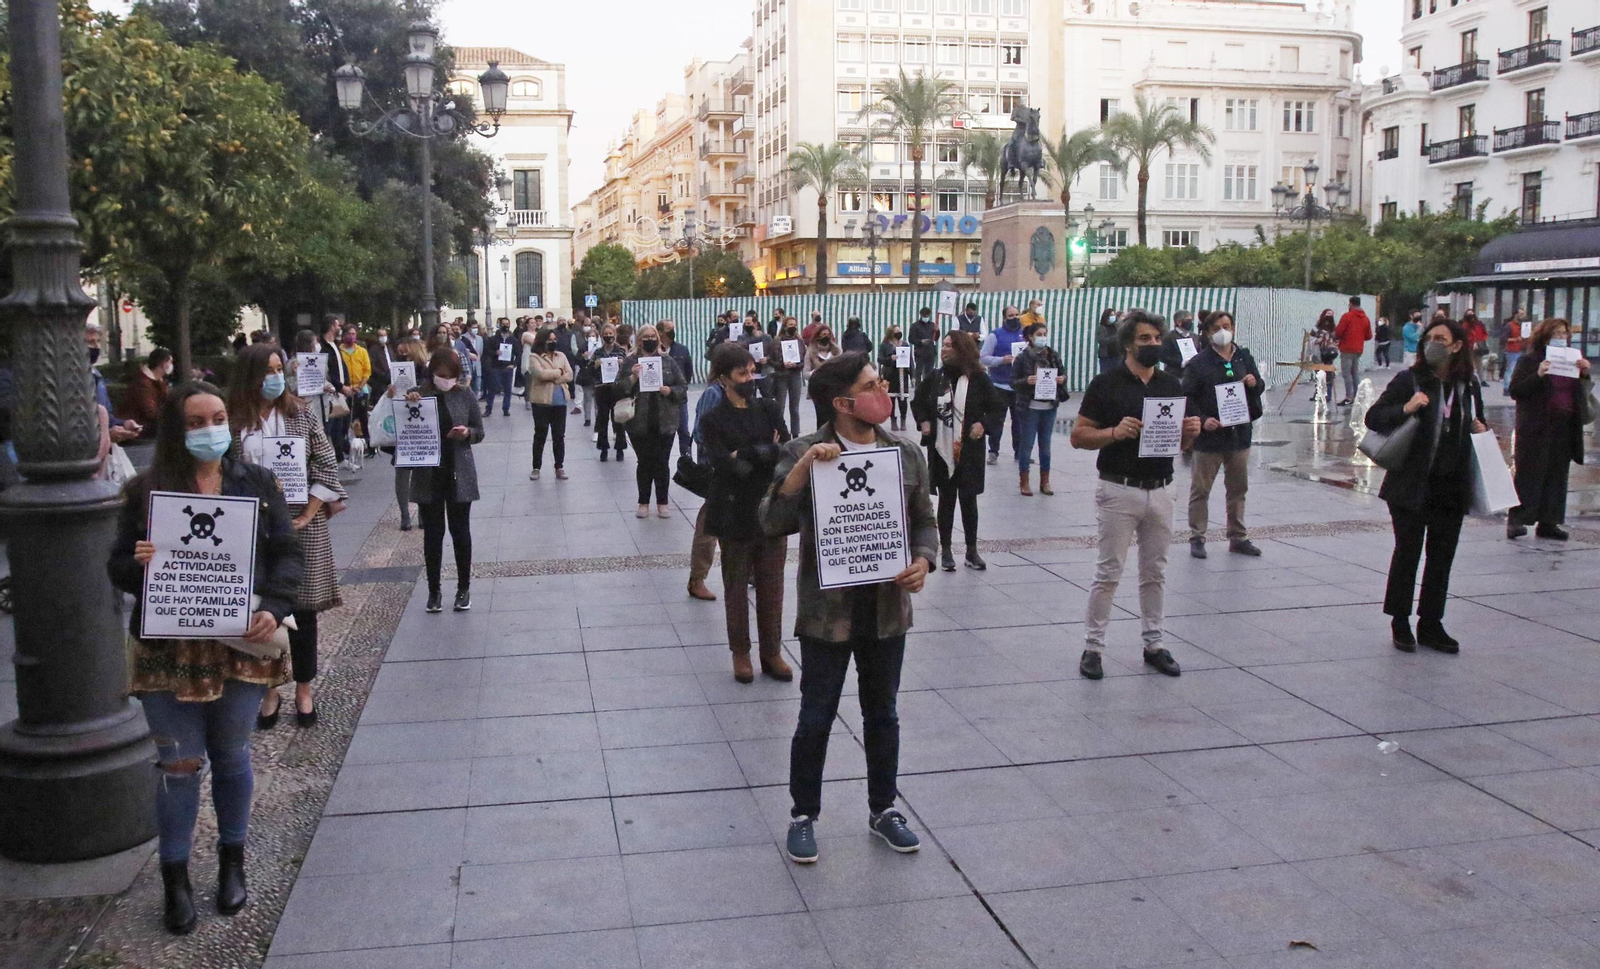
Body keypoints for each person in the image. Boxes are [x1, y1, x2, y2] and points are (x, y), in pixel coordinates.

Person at [107, 380, 302, 935]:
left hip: (239, 643)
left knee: (234, 756)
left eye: (217, 417)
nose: (209, 429)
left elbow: (286, 554)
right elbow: (118, 568)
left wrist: (275, 604)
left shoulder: (257, 484)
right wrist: (137, 563)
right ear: (177, 431)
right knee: (179, 765)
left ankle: (231, 863)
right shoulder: (146, 492)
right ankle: (176, 878)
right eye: (195, 422)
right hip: (168, 650)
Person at [760, 352, 936, 865]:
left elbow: (924, 519)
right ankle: (803, 814)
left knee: (883, 714)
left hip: (887, 610)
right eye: (871, 385)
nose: (882, 390)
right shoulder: (804, 450)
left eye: (881, 382)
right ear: (841, 402)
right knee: (815, 715)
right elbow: (770, 521)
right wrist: (799, 474)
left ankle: (884, 809)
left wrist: (923, 561)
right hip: (826, 612)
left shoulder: (904, 452)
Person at [1071, 311, 1202, 681]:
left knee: (1155, 571)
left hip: (1161, 487)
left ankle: (1154, 643)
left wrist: (1190, 432)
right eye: (1145, 339)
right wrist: (1114, 432)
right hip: (1119, 488)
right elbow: (1079, 436)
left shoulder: (1170, 385)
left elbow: (1179, 443)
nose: (1153, 345)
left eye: (1157, 338)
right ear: (1129, 343)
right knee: (1109, 571)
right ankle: (1093, 647)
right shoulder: (1106, 384)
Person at [226, 344, 346, 730]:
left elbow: (326, 461)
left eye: (281, 368)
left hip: (299, 525)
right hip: (250, 530)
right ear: (251, 376)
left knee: (304, 610)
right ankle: (270, 687)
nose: (277, 376)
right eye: (269, 370)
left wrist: (310, 512)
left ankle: (305, 688)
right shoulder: (233, 422)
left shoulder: (300, 414)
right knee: (265, 612)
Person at [1366, 318, 1486, 653]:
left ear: (1457, 345)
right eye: (1430, 338)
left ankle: (1431, 623)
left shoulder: (1467, 383)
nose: (1434, 343)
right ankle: (1400, 620)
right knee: (1407, 553)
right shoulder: (1411, 379)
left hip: (1452, 484)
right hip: (1411, 483)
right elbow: (1374, 417)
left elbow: (1477, 420)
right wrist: (1407, 407)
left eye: (1441, 338)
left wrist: (1479, 428)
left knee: (1441, 557)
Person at [700, 343, 794, 683]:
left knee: (772, 585)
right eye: (742, 374)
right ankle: (741, 652)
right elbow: (724, 464)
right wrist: (758, 454)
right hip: (733, 509)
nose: (750, 378)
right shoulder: (713, 418)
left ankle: (772, 652)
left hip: (770, 507)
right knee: (736, 584)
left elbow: (784, 447)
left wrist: (749, 452)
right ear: (724, 379)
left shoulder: (768, 408)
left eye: (752, 371)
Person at [913, 332, 999, 571]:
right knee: (946, 500)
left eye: (950, 346)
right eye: (944, 345)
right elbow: (918, 402)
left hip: (968, 450)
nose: (944, 350)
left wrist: (983, 424)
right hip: (942, 449)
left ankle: (972, 550)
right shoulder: (936, 377)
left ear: (962, 349)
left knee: (968, 500)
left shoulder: (978, 378)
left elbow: (996, 408)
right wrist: (924, 422)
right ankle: (947, 551)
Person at [1181, 311, 1264, 559]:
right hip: (1210, 439)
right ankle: (1197, 536)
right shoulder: (1198, 364)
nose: (1223, 331)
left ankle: (1238, 537)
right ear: (1207, 332)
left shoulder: (1243, 356)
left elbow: (1259, 387)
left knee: (1238, 488)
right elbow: (1188, 398)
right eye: (1216, 327)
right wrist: (1204, 420)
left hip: (1239, 434)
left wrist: (1253, 383)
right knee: (1201, 489)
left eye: (1227, 326)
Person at [408, 350, 484, 613]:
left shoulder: (465, 395)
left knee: (460, 532)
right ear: (432, 374)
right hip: (429, 473)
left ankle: (464, 588)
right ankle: (434, 590)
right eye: (441, 376)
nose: (447, 381)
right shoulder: (419, 394)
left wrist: (467, 433)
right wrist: (408, 400)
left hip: (458, 470)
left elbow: (479, 430)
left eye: (451, 377)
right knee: (433, 534)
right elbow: (404, 421)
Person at [1507, 318, 1591, 541]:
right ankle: (1517, 519)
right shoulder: (1530, 360)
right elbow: (1515, 390)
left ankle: (1549, 521)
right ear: (1545, 335)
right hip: (1537, 425)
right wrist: (1538, 375)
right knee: (1530, 472)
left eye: (1565, 333)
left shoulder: (1571, 360)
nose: (1562, 337)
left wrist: (1584, 373)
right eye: (1557, 332)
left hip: (1564, 423)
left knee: (1557, 473)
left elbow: (1578, 393)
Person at [615, 324, 688, 517]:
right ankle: (643, 502)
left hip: (665, 420)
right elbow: (617, 388)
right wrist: (632, 377)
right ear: (639, 340)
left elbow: (682, 387)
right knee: (645, 462)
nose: (650, 340)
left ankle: (662, 501)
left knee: (662, 462)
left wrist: (670, 390)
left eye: (652, 336)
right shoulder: (631, 361)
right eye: (645, 336)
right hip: (639, 420)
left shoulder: (668, 361)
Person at [1010, 321, 1066, 496]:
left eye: (1045, 334)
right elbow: (1013, 382)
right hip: (1029, 406)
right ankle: (1024, 481)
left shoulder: (1053, 355)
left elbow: (1063, 373)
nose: (1043, 337)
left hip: (1049, 405)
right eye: (1039, 334)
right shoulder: (1022, 357)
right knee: (1026, 445)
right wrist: (1026, 381)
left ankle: (1045, 481)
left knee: (1046, 446)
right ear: (1030, 337)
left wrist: (1062, 379)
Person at [686, 369, 726, 603]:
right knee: (710, 521)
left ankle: (746, 571)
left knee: (728, 519)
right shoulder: (714, 393)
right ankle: (697, 578)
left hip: (734, 467)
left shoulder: (735, 393)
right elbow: (702, 432)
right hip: (716, 466)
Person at [386, 336, 430, 530]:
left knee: (422, 471)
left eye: (405, 351)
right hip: (403, 420)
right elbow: (389, 393)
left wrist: (419, 392)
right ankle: (405, 514)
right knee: (402, 470)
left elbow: (431, 390)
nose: (402, 354)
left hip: (422, 423)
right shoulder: (396, 368)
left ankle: (422, 512)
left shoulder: (426, 369)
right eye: (400, 352)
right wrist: (390, 392)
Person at [978, 305, 1026, 466]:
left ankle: (1020, 452)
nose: (1015, 318)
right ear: (1004, 318)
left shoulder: (1026, 334)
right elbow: (983, 358)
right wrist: (1001, 360)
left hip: (1019, 386)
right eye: (1011, 315)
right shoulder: (995, 335)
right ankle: (993, 452)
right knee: (996, 421)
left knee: (1019, 421)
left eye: (1017, 314)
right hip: (999, 385)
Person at [525, 326, 574, 481]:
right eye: (549, 340)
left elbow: (570, 374)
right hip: (541, 402)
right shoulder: (535, 357)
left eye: (554, 340)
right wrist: (559, 372)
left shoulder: (561, 356)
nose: (553, 342)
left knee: (559, 435)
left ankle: (559, 466)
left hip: (560, 401)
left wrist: (555, 377)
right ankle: (536, 467)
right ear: (542, 341)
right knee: (540, 434)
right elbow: (539, 374)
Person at [588, 322, 631, 461]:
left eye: (610, 334)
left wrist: (621, 363)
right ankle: (603, 448)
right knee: (602, 419)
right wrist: (596, 365)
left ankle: (620, 448)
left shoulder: (621, 351)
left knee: (618, 419)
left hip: (617, 390)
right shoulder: (598, 352)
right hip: (602, 389)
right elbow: (589, 370)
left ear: (615, 335)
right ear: (602, 336)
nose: (608, 336)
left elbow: (628, 369)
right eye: (606, 334)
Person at [318, 315, 353, 463]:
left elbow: (341, 367)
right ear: (332, 326)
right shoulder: (322, 347)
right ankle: (326, 458)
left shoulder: (335, 346)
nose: (339, 328)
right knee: (329, 427)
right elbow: (327, 372)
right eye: (338, 325)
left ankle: (340, 456)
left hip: (340, 392)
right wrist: (341, 386)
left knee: (340, 426)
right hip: (331, 392)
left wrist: (347, 384)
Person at [660, 321, 695, 457]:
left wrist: (678, 388)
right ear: (660, 332)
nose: (672, 331)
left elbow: (688, 372)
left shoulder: (682, 349)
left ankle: (686, 459)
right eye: (669, 329)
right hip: (661, 398)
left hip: (679, 397)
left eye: (673, 328)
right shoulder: (655, 351)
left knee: (683, 431)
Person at [125, 348, 173, 436]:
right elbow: (151, 413)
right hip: (140, 427)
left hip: (148, 426)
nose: (171, 365)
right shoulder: (143, 384)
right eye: (170, 362)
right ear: (163, 364)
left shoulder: (158, 381)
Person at [1334, 297, 1372, 405]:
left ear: (1350, 304)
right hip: (1358, 348)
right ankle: (1358, 396)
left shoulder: (1347, 316)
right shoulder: (1365, 318)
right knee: (1355, 373)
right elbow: (1369, 336)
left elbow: (1338, 332)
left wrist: (1335, 337)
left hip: (1347, 348)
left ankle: (1349, 397)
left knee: (1346, 373)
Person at [772, 317, 806, 435]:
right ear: (785, 326)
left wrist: (796, 365)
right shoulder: (777, 340)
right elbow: (771, 360)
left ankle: (795, 433)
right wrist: (782, 364)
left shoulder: (799, 341)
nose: (793, 327)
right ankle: (780, 432)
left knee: (794, 407)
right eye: (790, 324)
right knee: (780, 406)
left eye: (794, 324)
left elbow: (803, 360)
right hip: (781, 375)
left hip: (795, 375)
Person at [804, 324, 839, 426]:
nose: (826, 336)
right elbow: (805, 373)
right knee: (821, 418)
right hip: (818, 390)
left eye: (828, 334)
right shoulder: (811, 352)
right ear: (818, 336)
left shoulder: (836, 351)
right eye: (823, 334)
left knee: (834, 418)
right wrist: (814, 373)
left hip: (834, 389)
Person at [481, 318, 518, 417]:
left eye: (507, 324)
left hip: (508, 367)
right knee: (492, 388)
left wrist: (514, 364)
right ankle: (488, 409)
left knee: (507, 389)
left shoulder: (513, 340)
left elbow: (519, 354)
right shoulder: (493, 339)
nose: (506, 325)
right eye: (503, 324)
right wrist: (495, 353)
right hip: (495, 367)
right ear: (500, 325)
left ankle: (506, 408)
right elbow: (487, 351)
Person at [738, 314, 781, 399]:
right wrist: (754, 337)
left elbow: (773, 352)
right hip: (750, 370)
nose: (747, 325)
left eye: (749, 323)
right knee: (750, 396)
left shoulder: (766, 337)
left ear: (755, 324)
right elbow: (740, 350)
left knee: (767, 395)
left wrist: (767, 359)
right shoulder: (741, 337)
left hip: (764, 370)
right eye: (745, 323)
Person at [877, 324, 910, 431]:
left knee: (903, 399)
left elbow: (910, 359)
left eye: (899, 331)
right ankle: (893, 420)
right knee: (891, 400)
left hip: (902, 375)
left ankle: (903, 420)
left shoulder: (905, 344)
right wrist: (890, 358)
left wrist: (912, 374)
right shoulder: (885, 345)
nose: (898, 333)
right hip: (890, 375)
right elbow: (880, 359)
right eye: (896, 331)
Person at [908, 307, 938, 388]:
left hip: (930, 352)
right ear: (921, 315)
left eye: (927, 315)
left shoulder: (932, 325)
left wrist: (937, 331)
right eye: (924, 315)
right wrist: (920, 341)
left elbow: (936, 338)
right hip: (920, 352)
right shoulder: (915, 326)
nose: (926, 317)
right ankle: (918, 388)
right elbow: (911, 339)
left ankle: (928, 388)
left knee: (929, 372)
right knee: (919, 372)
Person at [1312, 310, 1339, 401]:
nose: (1328, 317)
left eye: (1331, 315)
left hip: (1329, 353)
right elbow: (1311, 338)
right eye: (1327, 314)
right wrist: (1317, 340)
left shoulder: (1333, 329)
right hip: (1318, 352)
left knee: (1328, 373)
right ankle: (1318, 393)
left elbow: (1336, 340)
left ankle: (1328, 394)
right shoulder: (1316, 328)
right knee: (1318, 373)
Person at [1500, 309, 1527, 393]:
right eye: (1521, 314)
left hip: (1522, 349)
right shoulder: (1509, 325)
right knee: (1510, 369)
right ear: (1515, 315)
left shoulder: (1524, 326)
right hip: (1512, 350)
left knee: (1519, 369)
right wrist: (1515, 339)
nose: (1523, 316)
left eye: (1523, 314)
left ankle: (1516, 386)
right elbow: (1504, 338)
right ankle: (1507, 387)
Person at [1463, 311, 1490, 381]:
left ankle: (1482, 379)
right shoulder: (1465, 325)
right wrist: (1471, 342)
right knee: (1470, 363)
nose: (1471, 316)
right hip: (1469, 346)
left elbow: (1485, 334)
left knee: (1479, 363)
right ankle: (1470, 378)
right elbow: (1464, 335)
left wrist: (1480, 342)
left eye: (1471, 314)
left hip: (1479, 346)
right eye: (1468, 314)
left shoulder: (1479, 324)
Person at [1095, 308, 1121, 374]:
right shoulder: (1102, 328)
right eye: (1111, 315)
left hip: (1117, 356)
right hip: (1106, 357)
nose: (1113, 316)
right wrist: (1115, 337)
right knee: (1106, 376)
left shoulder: (1117, 326)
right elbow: (1102, 341)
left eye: (1114, 315)